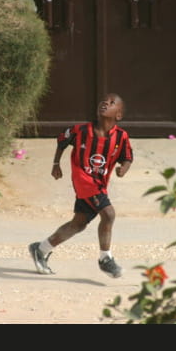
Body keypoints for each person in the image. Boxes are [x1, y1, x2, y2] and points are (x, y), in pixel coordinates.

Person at [29, 92, 133, 279]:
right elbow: (62, 141)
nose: (105, 104)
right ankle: (105, 259)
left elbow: (127, 157)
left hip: (99, 184)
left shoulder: (121, 137)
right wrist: (56, 164)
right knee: (108, 214)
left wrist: (123, 169)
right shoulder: (81, 130)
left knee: (78, 224)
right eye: (103, 101)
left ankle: (41, 249)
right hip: (83, 180)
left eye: (111, 103)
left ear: (118, 115)